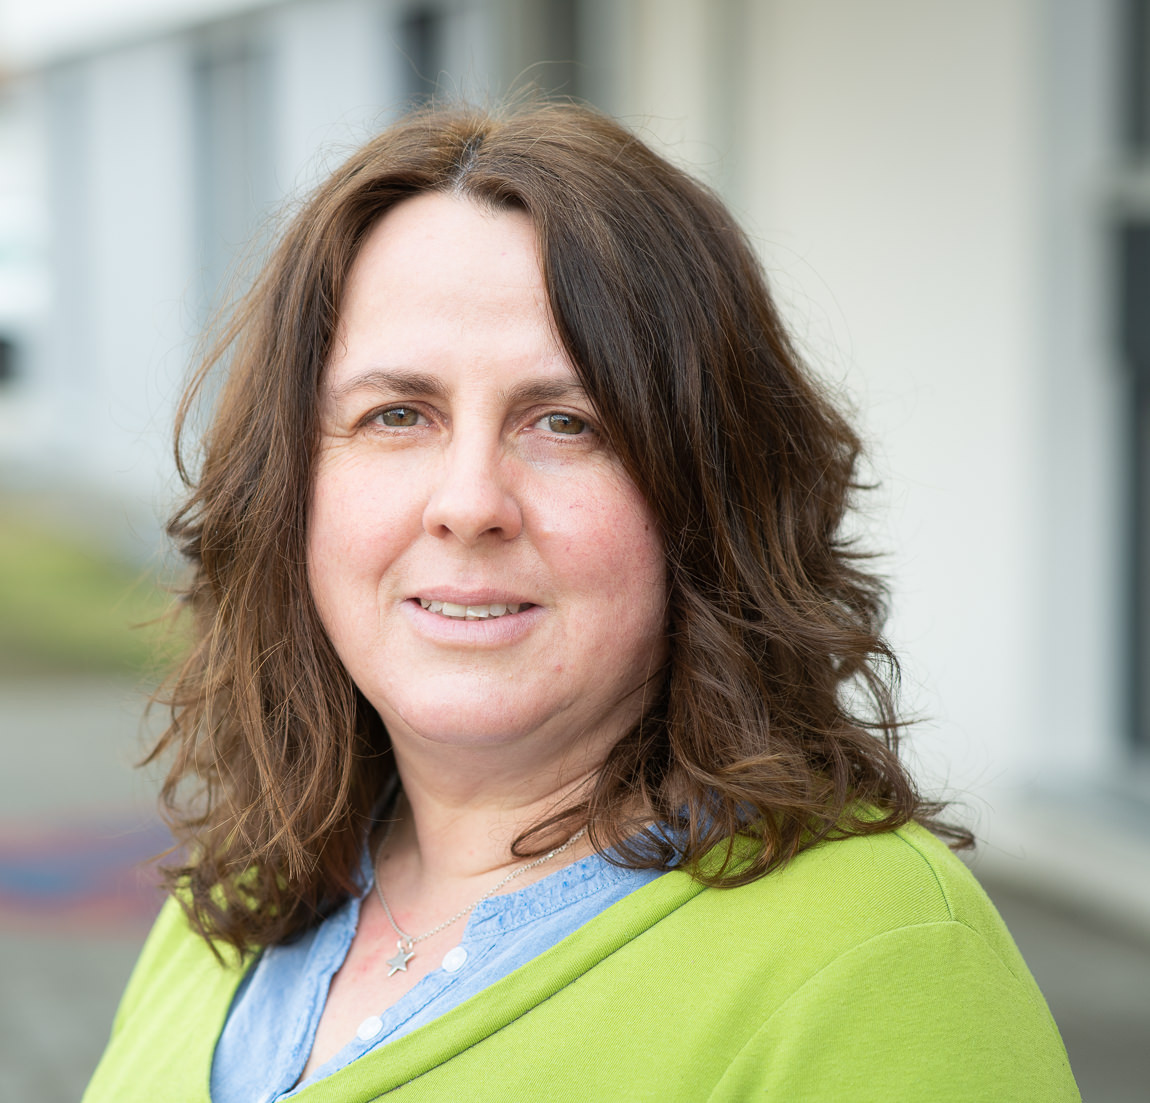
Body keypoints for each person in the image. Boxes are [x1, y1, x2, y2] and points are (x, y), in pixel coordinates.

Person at [84, 103, 1079, 1101]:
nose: (469, 502)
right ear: (289, 488)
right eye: (397, 414)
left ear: (708, 496)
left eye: (566, 422)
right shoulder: (241, 903)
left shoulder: (881, 958)